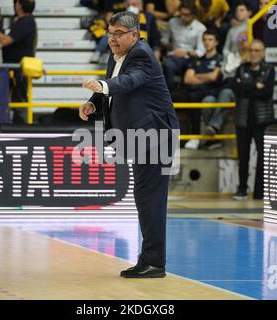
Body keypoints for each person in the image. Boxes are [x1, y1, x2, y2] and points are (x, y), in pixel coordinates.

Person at [79, 11, 179, 278]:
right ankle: (148, 259)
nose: (112, 39)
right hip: (143, 136)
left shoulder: (142, 55)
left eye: (119, 34)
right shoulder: (118, 55)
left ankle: (155, 263)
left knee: (151, 200)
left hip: (157, 136)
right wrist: (93, 101)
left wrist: (102, 85)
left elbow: (126, 81)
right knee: (145, 198)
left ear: (135, 35)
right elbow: (113, 86)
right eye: (110, 33)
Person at [0, 0, 37, 124]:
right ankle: (10, 123)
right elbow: (9, 39)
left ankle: (23, 128)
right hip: (12, 68)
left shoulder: (26, 22)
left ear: (19, 5)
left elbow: (6, 41)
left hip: (19, 69)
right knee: (9, 97)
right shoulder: (21, 21)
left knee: (19, 99)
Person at [233, 39, 274, 201]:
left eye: (258, 50)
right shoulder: (240, 69)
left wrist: (246, 87)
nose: (254, 53)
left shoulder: (269, 69)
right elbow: (237, 90)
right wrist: (255, 86)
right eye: (252, 50)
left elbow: (267, 93)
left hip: (262, 121)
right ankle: (242, 189)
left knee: (263, 156)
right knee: (243, 156)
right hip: (243, 119)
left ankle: (259, 192)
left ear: (263, 53)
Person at [182, 29, 223, 150]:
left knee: (195, 98)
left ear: (216, 42)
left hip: (211, 91)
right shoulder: (197, 60)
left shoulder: (221, 59)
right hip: (193, 90)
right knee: (173, 96)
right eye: (204, 40)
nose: (207, 42)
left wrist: (197, 76)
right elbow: (187, 79)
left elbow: (214, 77)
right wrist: (206, 76)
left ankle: (195, 136)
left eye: (210, 40)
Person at [161, 1, 206, 90]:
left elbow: (201, 51)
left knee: (169, 65)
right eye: (181, 14)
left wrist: (186, 52)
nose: (182, 17)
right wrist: (167, 44)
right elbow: (164, 39)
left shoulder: (200, 28)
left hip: (189, 58)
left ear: (193, 15)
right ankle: (167, 94)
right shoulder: (172, 22)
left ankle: (172, 94)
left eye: (186, 15)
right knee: (165, 64)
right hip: (173, 55)